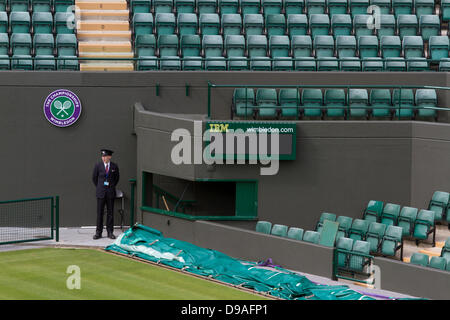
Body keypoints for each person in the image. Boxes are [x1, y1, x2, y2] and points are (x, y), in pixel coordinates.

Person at [92, 149, 120, 240]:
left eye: (105, 156)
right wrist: (100, 187)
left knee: (110, 213)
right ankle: (98, 232)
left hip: (110, 193)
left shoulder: (114, 166)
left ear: (110, 157)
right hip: (101, 193)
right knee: (99, 213)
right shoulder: (98, 165)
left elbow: (116, 179)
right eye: (102, 156)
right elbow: (94, 178)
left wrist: (110, 187)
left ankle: (110, 232)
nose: (104, 158)